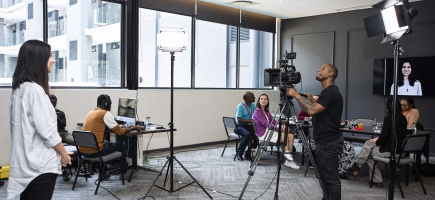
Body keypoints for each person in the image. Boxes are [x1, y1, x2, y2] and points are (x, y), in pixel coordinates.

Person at [7, 40, 72, 199]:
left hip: (27, 164)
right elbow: (47, 131)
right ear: (37, 59)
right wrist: (64, 154)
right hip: (40, 167)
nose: (53, 60)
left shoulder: (20, 88)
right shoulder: (34, 91)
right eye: (50, 56)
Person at [286, 63, 343, 200]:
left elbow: (311, 111)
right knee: (324, 175)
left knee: (330, 178)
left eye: (323, 68)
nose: (319, 70)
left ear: (331, 74)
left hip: (329, 142)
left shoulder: (330, 92)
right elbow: (317, 110)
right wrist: (311, 100)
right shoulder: (329, 92)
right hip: (326, 141)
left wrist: (296, 95)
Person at [348, 97, 407, 187]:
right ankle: (374, 178)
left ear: (388, 108)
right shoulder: (403, 119)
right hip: (401, 151)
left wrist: (378, 139)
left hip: (391, 152)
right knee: (369, 146)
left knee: (368, 150)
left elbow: (383, 139)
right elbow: (392, 136)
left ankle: (360, 167)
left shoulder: (388, 119)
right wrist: (377, 139)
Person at [80, 94, 143, 175]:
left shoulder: (91, 112)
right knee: (120, 145)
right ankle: (124, 172)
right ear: (106, 104)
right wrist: (134, 128)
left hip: (83, 151)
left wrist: (125, 127)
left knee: (106, 142)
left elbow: (106, 127)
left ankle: (103, 171)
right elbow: (120, 132)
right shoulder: (105, 113)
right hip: (95, 151)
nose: (110, 106)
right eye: (110, 104)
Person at [252, 94, 300, 169]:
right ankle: (287, 155)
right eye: (261, 99)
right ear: (259, 101)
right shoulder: (257, 111)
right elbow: (266, 124)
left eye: (265, 99)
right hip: (264, 133)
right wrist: (280, 129)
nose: (263, 100)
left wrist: (281, 126)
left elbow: (274, 121)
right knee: (283, 134)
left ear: (267, 101)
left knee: (291, 136)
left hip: (269, 130)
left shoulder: (266, 111)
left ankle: (289, 158)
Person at [235, 91, 258, 161]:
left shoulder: (253, 105)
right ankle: (239, 153)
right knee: (247, 134)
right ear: (247, 98)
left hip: (249, 126)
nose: (254, 98)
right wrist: (250, 121)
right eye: (252, 96)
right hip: (239, 126)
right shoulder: (240, 106)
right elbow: (239, 120)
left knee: (258, 135)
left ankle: (248, 152)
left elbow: (255, 116)